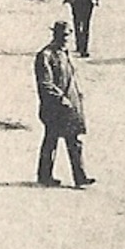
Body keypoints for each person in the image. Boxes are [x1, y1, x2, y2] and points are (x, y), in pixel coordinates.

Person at [34, 20, 93, 188]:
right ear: (55, 35)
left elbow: (70, 78)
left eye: (68, 35)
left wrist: (77, 97)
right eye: (63, 35)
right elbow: (45, 84)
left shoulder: (65, 53)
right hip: (54, 108)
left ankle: (80, 176)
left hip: (69, 106)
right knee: (51, 141)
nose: (66, 39)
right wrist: (61, 99)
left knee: (74, 141)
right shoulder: (45, 55)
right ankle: (45, 176)